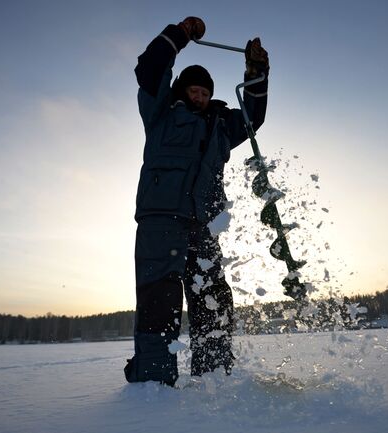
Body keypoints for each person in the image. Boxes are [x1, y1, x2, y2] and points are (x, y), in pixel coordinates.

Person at [124, 17, 269, 386]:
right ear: (181, 91)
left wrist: (257, 71)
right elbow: (149, 68)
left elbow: (253, 118)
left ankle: (214, 374)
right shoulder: (161, 113)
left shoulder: (221, 125)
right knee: (160, 302)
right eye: (193, 90)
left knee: (213, 298)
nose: (200, 97)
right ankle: (153, 383)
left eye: (205, 93)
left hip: (202, 226)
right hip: (160, 223)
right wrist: (181, 33)